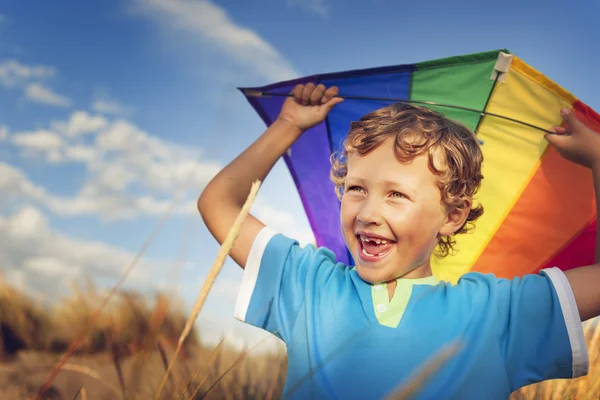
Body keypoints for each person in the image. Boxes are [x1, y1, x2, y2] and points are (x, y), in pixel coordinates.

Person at [198, 83, 600, 399]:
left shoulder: (497, 311)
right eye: (356, 188)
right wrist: (288, 127)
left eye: (396, 194)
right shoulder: (308, 285)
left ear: (452, 216)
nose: (369, 212)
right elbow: (218, 204)